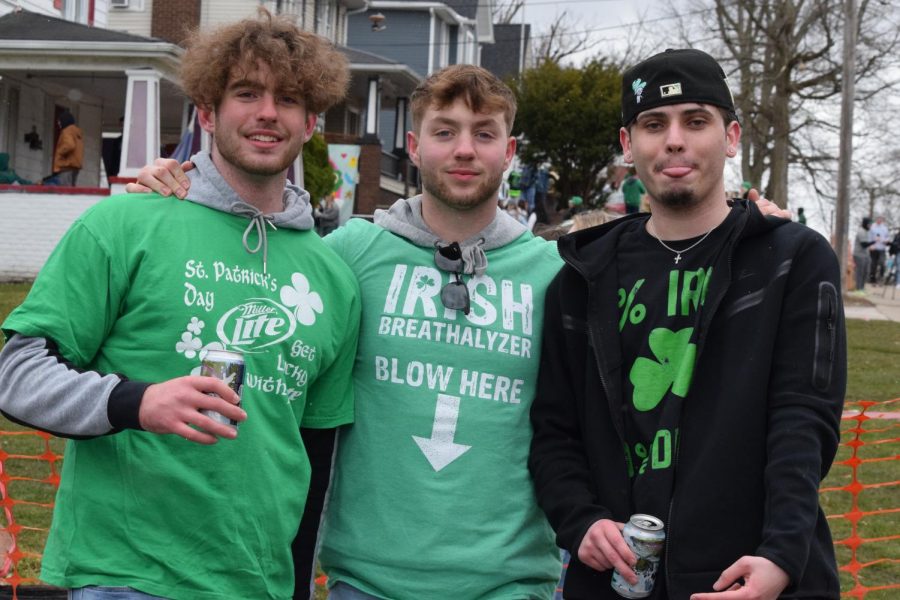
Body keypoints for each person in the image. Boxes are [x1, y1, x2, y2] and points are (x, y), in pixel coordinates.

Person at [127, 64, 795, 600]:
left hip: (512, 578)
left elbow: (664, 278)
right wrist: (194, 190)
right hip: (368, 576)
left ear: (509, 151)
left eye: (483, 134)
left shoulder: (559, 274)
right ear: (415, 148)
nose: (464, 150)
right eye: (444, 132)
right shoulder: (350, 254)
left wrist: (748, 225)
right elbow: (257, 277)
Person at [0, 11, 360, 600]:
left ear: (310, 121)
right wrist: (136, 401)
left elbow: (315, 457)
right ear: (208, 112)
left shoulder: (332, 278)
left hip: (259, 585)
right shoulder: (122, 224)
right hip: (125, 577)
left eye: (288, 98)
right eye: (246, 93)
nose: (268, 112)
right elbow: (16, 375)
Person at [529, 48, 846, 600]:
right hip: (618, 581)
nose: (674, 140)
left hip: (753, 576)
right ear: (629, 145)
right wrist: (579, 521)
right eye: (654, 124)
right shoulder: (580, 279)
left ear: (731, 137)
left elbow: (804, 421)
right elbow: (554, 432)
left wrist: (781, 554)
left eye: (696, 121)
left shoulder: (790, 260)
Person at [52, 109, 84, 186]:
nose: (58, 123)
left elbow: (70, 145)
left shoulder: (67, 131)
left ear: (64, 120)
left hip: (66, 166)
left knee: (65, 191)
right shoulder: (76, 132)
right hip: (75, 166)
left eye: (60, 121)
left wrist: (60, 152)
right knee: (71, 192)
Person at [853, 217, 872, 293]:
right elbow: (864, 244)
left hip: (866, 255)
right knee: (860, 272)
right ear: (866, 224)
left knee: (866, 272)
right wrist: (875, 242)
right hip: (859, 255)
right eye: (869, 224)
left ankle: (862, 288)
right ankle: (858, 289)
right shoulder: (861, 231)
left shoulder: (867, 231)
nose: (870, 226)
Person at [868, 215, 889, 283]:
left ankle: (881, 278)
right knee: (873, 265)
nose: (879, 220)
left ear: (882, 220)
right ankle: (873, 279)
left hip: (882, 248)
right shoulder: (872, 227)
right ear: (876, 219)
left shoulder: (885, 228)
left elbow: (887, 237)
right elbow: (869, 237)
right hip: (874, 249)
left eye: (881, 219)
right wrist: (870, 246)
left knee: (882, 263)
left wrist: (885, 240)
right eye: (878, 219)